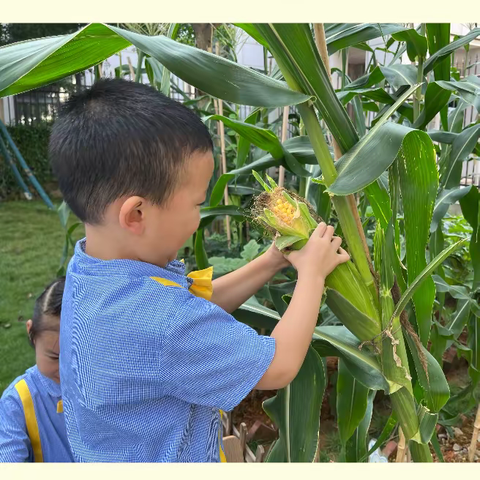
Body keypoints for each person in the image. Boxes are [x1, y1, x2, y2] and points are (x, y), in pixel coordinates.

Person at [49, 78, 349, 462]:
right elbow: (277, 366)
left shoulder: (93, 273)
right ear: (137, 213)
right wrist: (313, 275)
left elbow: (192, 303)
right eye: (196, 203)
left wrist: (271, 260)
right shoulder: (158, 322)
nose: (199, 218)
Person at [0, 277, 73, 462]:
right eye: (55, 357)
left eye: (79, 358)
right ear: (32, 334)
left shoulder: (113, 387)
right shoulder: (16, 404)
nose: (66, 370)